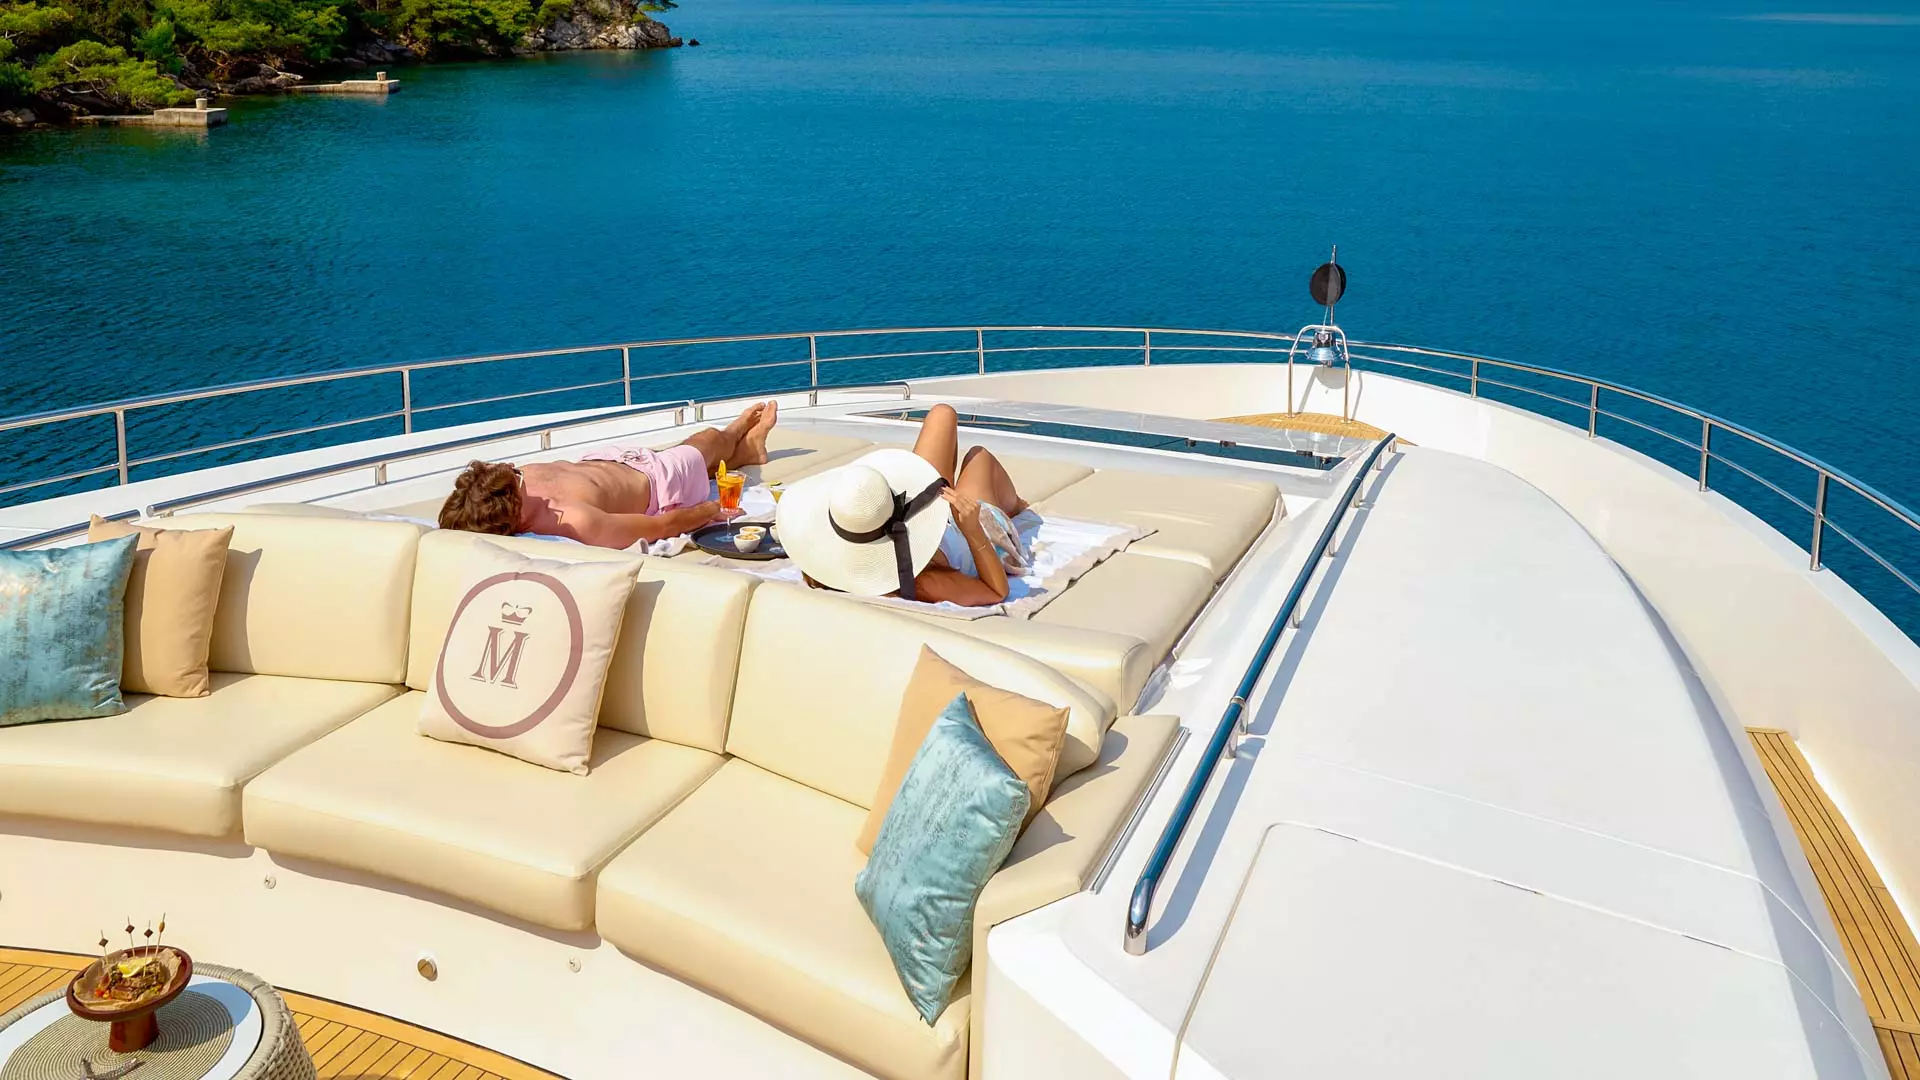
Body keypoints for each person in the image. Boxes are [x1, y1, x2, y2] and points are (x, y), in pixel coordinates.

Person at [777, 403, 1032, 607]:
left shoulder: (827, 560)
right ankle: (1017, 507)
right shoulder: (920, 580)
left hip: (919, 510)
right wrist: (973, 531)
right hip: (973, 524)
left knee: (942, 414)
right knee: (979, 456)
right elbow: (996, 591)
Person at [437, 401, 779, 548]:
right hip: (659, 482)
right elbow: (660, 527)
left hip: (620, 461)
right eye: (517, 482)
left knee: (702, 458)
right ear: (512, 511)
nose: (519, 473)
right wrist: (709, 509)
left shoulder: (516, 481)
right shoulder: (574, 521)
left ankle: (747, 453)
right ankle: (737, 434)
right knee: (707, 439)